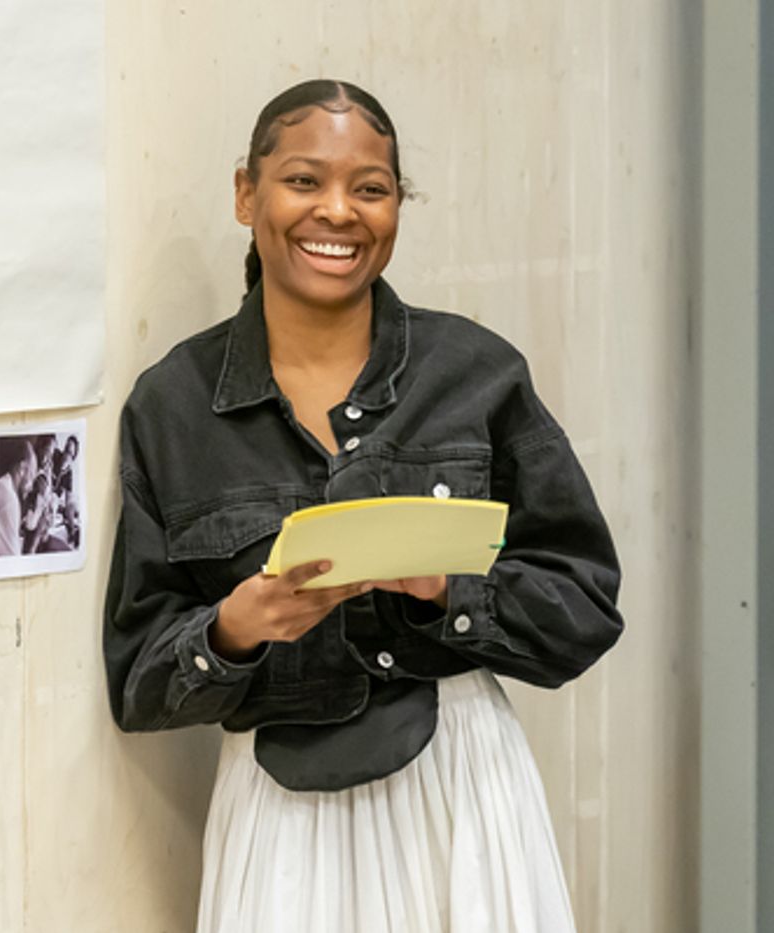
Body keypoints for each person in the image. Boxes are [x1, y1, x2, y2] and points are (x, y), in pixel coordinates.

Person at [103, 79, 623, 933]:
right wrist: (233, 627)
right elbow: (137, 680)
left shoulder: (476, 374)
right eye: (304, 181)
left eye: (371, 188)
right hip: (279, 817)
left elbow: (585, 606)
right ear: (247, 194)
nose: (338, 212)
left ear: (395, 207)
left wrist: (447, 590)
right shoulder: (173, 404)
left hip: (463, 792)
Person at [0, 441, 37, 557]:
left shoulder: (2, 486)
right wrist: (35, 540)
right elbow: (11, 562)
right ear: (22, 467)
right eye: (32, 472)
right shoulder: (8, 497)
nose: (32, 482)